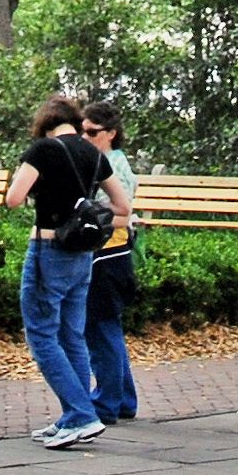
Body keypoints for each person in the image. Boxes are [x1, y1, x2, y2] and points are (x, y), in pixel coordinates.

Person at [1, 93, 109, 448]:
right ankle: (73, 416)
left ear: (44, 124)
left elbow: (14, 199)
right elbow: (122, 203)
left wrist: (39, 192)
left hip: (48, 249)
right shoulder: (92, 153)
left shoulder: (42, 151)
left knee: (42, 335)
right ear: (76, 122)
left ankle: (82, 415)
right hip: (82, 253)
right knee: (71, 335)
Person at [80, 100, 140, 427]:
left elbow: (122, 215)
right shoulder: (112, 161)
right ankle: (123, 400)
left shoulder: (109, 167)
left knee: (100, 329)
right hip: (113, 255)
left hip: (107, 255)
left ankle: (105, 403)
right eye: (81, 132)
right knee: (108, 327)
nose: (84, 138)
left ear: (111, 133)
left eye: (92, 132)